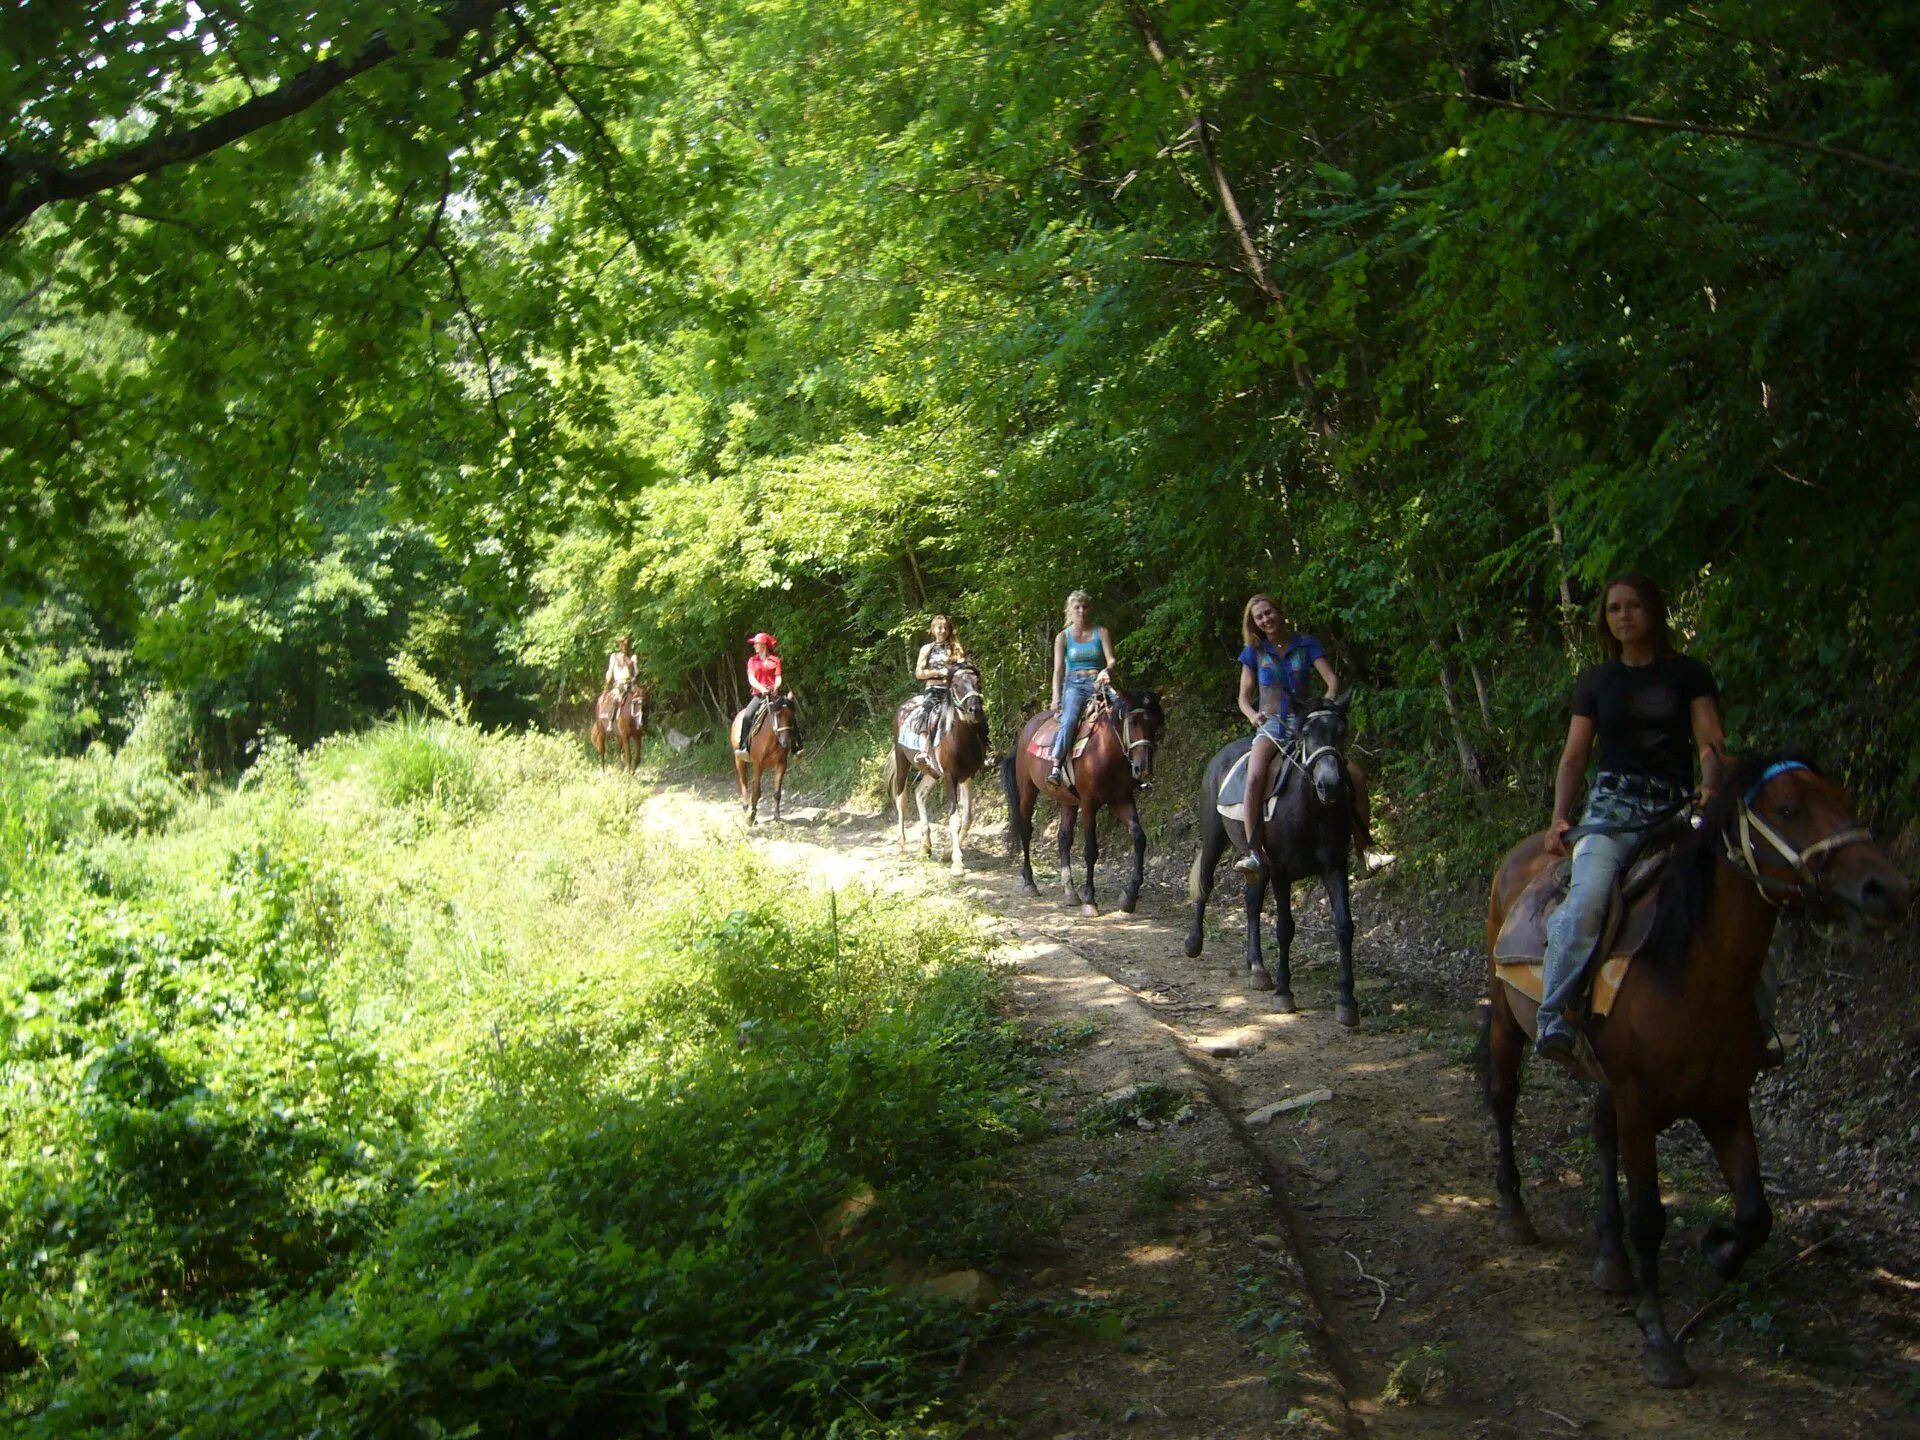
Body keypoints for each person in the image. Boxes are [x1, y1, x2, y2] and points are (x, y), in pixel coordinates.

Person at [1535, 573, 1727, 1066]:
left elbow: (1710, 741)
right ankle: (1553, 1016)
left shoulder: (1689, 674)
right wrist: (1560, 816)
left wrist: (1712, 783)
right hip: (1612, 811)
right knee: (1589, 899)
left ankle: (1757, 1024)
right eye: (1614, 608)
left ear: (1653, 611)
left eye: (1633, 606)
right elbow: (1575, 757)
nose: (1623, 616)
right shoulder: (1597, 681)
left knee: (1734, 892)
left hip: (1676, 809)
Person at [1233, 594, 1340, 876]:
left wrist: (1324, 709)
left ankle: (1365, 847)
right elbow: (1243, 699)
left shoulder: (1306, 645)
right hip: (1271, 727)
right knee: (1255, 776)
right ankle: (1253, 851)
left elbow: (1332, 681)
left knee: (1352, 775)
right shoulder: (1253, 652)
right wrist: (1253, 716)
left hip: (1305, 725)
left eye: (1269, 613)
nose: (1266, 619)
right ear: (1253, 623)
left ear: (1278, 612)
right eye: (1260, 617)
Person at [1047, 591, 1116, 788]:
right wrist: (1056, 696)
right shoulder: (1063, 637)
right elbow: (1058, 669)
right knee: (1069, 720)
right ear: (1070, 610)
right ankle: (1057, 766)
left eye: (1084, 607)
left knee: (1123, 710)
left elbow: (1111, 659)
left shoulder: (1101, 632)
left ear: (1089, 609)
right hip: (1074, 685)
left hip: (1098, 681)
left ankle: (1134, 764)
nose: (1081, 611)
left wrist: (1106, 670)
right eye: (1077, 607)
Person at [912, 615, 966, 738]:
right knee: (926, 715)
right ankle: (924, 750)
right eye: (940, 628)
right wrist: (938, 672)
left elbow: (963, 669)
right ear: (933, 629)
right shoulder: (926, 649)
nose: (943, 631)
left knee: (973, 709)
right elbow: (919, 673)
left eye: (946, 628)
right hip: (934, 690)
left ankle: (984, 743)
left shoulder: (955, 648)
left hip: (953, 690)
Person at [737, 632, 783, 755]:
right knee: (747, 716)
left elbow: (778, 677)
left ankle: (796, 746)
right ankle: (743, 747)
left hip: (773, 694)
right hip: (759, 695)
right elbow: (751, 679)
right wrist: (762, 689)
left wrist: (775, 687)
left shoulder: (775, 660)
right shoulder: (752, 661)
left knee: (788, 711)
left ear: (764, 645)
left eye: (757, 643)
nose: (754, 646)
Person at [604, 636, 640, 703]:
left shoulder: (633, 657)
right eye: (621, 644)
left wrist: (634, 678)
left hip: (630, 684)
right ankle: (613, 713)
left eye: (625, 645)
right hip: (618, 684)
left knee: (641, 698)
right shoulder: (614, 656)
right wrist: (606, 687)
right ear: (619, 646)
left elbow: (636, 672)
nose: (623, 647)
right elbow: (609, 672)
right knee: (614, 700)